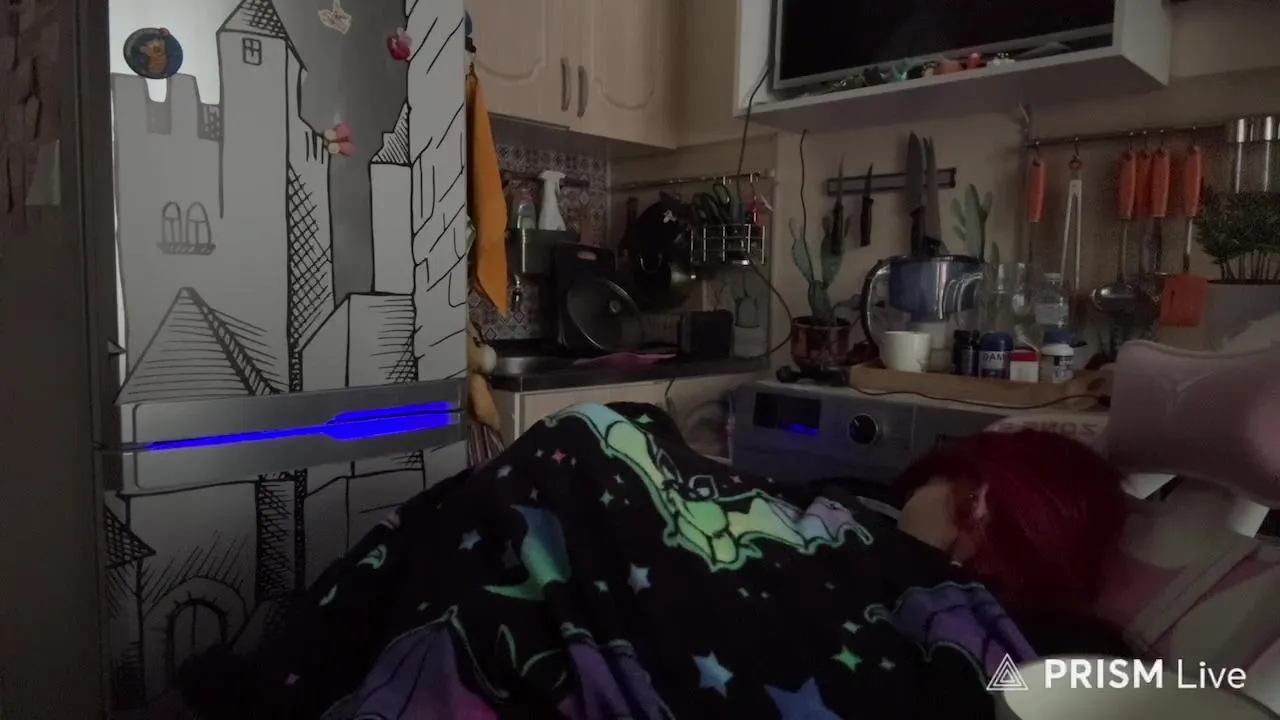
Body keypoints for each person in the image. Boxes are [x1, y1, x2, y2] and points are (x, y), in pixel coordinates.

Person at [181, 401, 1131, 719]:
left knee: (575, 453)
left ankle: (296, 676)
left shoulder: (921, 579)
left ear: (977, 506)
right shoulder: (870, 527)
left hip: (598, 537)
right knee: (495, 536)